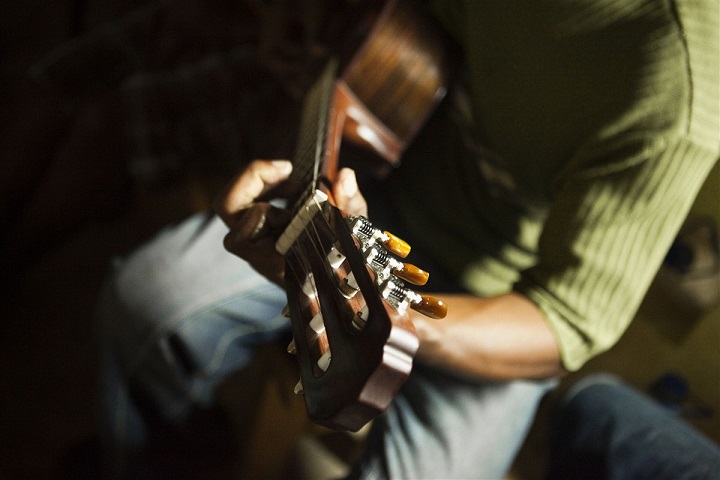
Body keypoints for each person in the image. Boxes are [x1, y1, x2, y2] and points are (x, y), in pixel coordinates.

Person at [95, 0, 719, 478]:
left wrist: (401, 317)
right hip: (374, 196)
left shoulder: (676, 93)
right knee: (146, 302)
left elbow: (563, 323)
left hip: (495, 310)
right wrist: (311, 24)